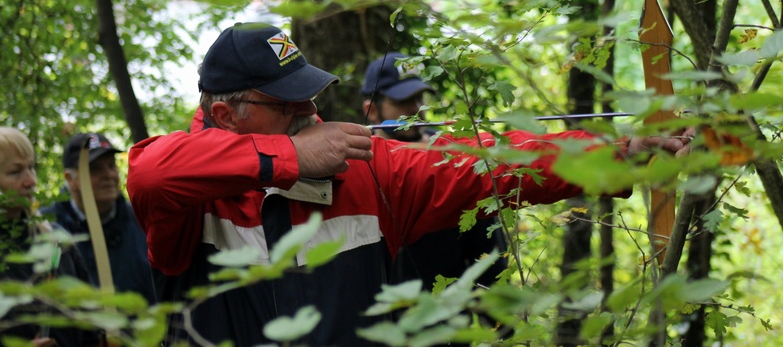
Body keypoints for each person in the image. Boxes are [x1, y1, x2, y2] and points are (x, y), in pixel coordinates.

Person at [126, 21, 692, 347]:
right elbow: (151, 171)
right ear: (228, 115)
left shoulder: (369, 170)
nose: (309, 111)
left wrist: (622, 153)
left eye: (311, 96)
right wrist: (288, 157)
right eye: (288, 103)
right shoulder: (187, 187)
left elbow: (487, 162)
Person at [361, 53, 508, 288]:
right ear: (373, 110)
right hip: (379, 317)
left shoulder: (455, 158)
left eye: (420, 97)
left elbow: (490, 258)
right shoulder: (355, 163)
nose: (416, 108)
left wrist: (500, 322)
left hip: (446, 315)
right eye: (403, 101)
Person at [0, 126, 99, 346]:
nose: (31, 181)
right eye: (15, 172)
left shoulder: (56, 240)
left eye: (31, 168)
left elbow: (89, 324)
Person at [40, 133, 156, 304]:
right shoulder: (47, 228)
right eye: (94, 169)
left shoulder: (142, 221)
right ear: (70, 179)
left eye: (111, 166)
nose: (108, 175)